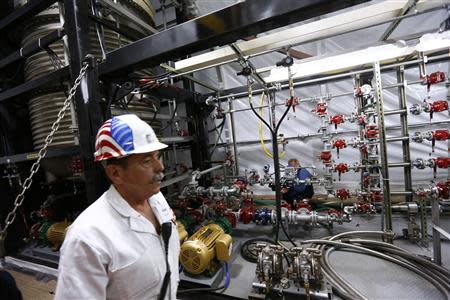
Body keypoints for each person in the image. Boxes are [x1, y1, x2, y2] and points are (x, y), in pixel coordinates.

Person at [54, 114, 180, 300]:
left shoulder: (157, 199)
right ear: (115, 173)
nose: (160, 167)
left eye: (157, 156)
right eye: (147, 160)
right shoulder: (87, 238)